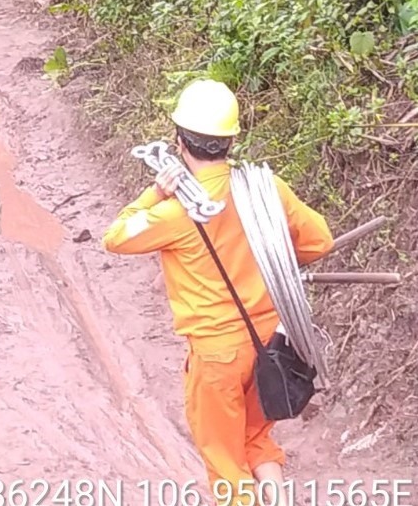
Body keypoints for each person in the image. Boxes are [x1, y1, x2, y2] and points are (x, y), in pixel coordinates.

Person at [100, 78, 334, 506]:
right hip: (271, 340)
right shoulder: (266, 189)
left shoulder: (174, 213)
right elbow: (319, 240)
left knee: (225, 460)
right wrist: (273, 262)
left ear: (178, 141)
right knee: (257, 435)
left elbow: (116, 236)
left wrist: (155, 191)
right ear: (230, 140)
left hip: (217, 355)